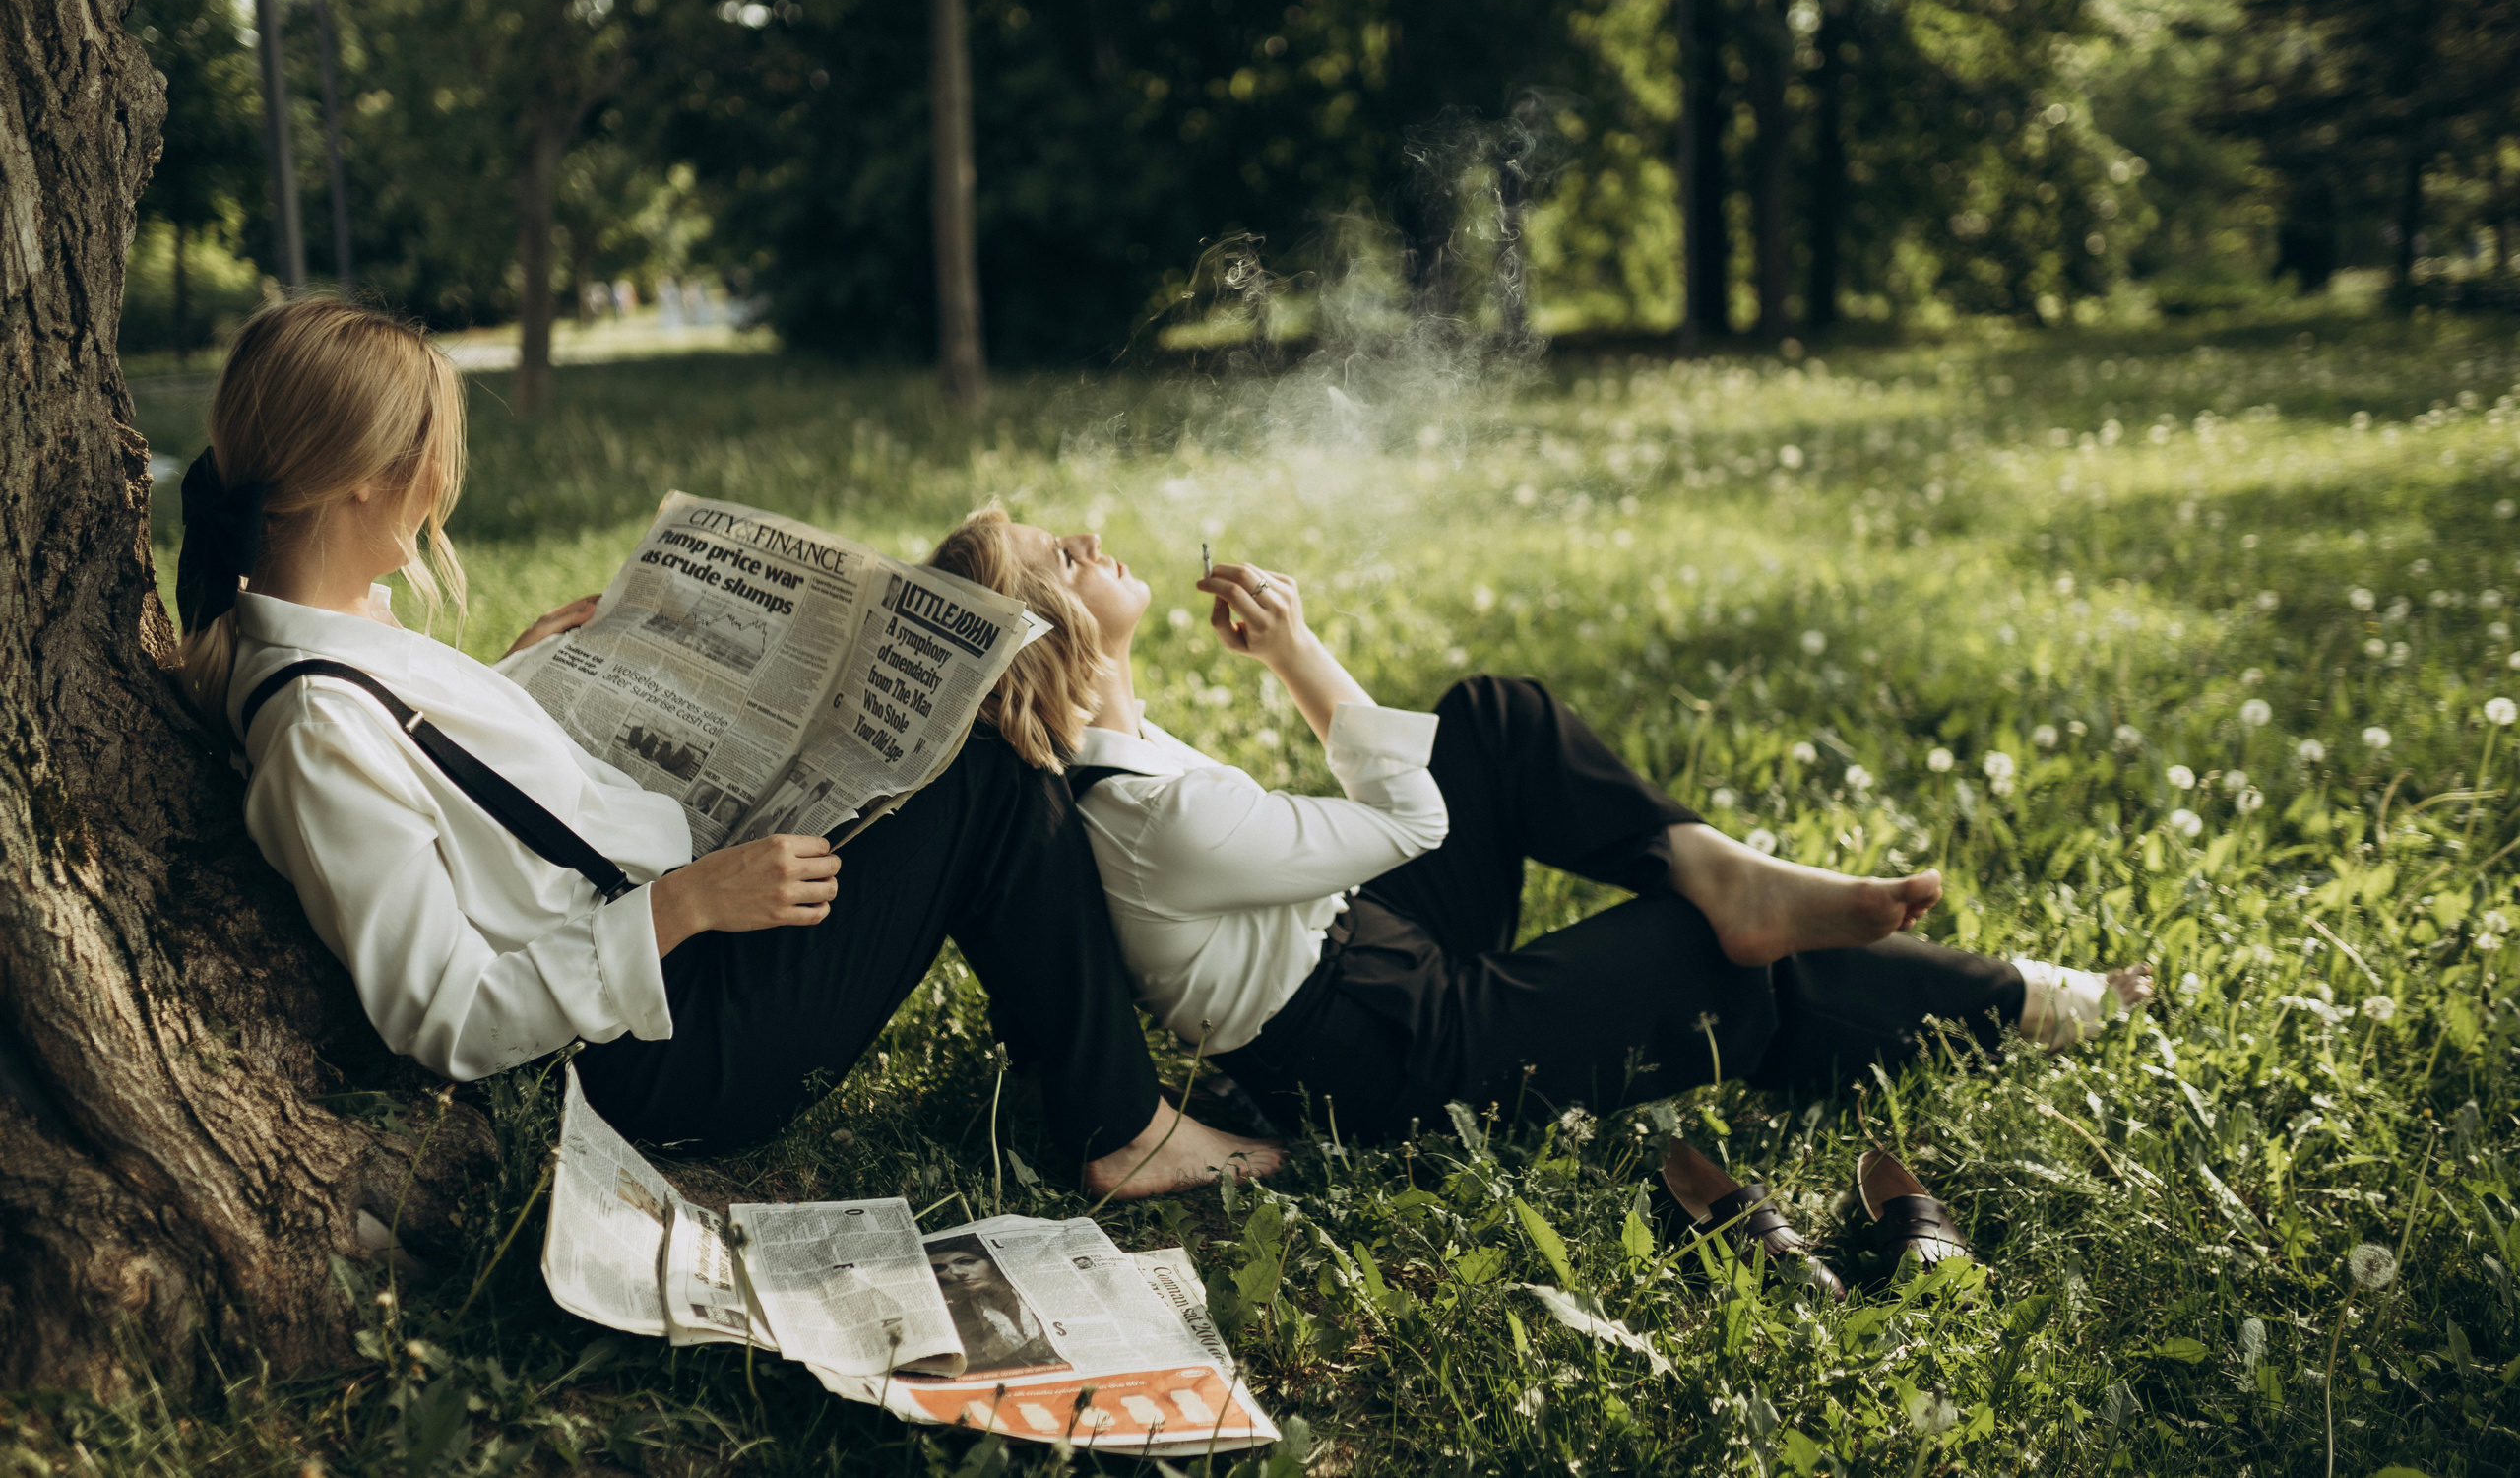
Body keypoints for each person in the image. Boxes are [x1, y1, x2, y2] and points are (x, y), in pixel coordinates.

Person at [172, 298, 1277, 1199]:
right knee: (986, 780)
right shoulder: (314, 728)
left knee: (940, 751)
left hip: (663, 948)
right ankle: (1118, 1125)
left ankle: (1070, 1066)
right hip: (656, 1048)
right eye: (431, 455)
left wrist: (514, 679)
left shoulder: (333, 628)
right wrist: (690, 902)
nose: (442, 486)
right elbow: (444, 1015)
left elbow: (454, 795)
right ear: (363, 478)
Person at [928, 505, 2151, 1290]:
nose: (1090, 533)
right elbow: (1409, 822)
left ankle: (1719, 869)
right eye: (1062, 556)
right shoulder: (1158, 816)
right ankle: (2028, 1001)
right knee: (1706, 966)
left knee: (1494, 721)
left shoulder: (1128, 761)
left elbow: (1393, 822)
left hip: (1363, 957)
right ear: (1053, 633)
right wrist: (1297, 651)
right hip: (1388, 1052)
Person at [924, 1237, 1066, 1375]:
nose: (956, 1272)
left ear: (992, 1261)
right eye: (940, 1268)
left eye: (966, 1262)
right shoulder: (961, 1313)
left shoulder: (1042, 1287)